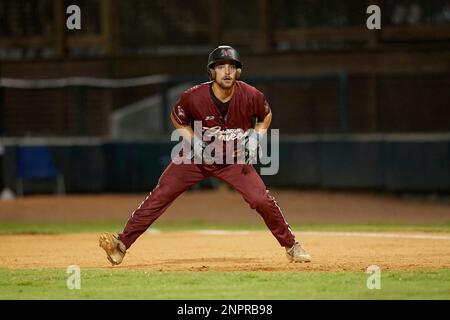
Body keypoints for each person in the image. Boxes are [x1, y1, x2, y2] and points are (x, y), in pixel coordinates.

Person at [99, 45, 311, 265]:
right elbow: (177, 118)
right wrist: (193, 141)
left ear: (238, 71)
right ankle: (121, 245)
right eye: (221, 67)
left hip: (233, 158)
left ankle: (291, 245)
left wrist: (257, 137)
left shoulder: (251, 95)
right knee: (162, 193)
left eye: (232, 67)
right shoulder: (194, 96)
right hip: (195, 156)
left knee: (261, 199)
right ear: (212, 72)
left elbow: (265, 115)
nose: (227, 71)